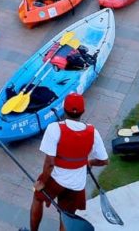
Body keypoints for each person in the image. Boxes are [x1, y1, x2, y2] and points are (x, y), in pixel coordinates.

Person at [26, 93, 108, 231]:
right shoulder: (93, 132)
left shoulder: (54, 128)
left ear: (64, 109)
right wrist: (90, 162)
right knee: (67, 215)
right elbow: (104, 161)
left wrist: (42, 183)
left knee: (37, 197)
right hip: (77, 184)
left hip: (55, 179)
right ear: (83, 111)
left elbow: (50, 163)